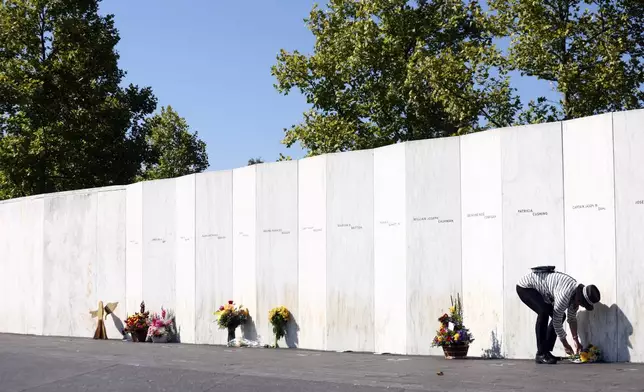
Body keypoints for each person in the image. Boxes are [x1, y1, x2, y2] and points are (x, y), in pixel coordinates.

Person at [516, 268, 601, 364]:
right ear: (579, 298)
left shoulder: (575, 298)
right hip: (526, 287)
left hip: (542, 291)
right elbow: (556, 322)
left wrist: (576, 341)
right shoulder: (564, 296)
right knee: (543, 312)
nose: (580, 306)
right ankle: (541, 354)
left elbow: (572, 319)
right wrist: (565, 344)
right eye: (582, 303)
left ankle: (546, 352)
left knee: (562, 316)